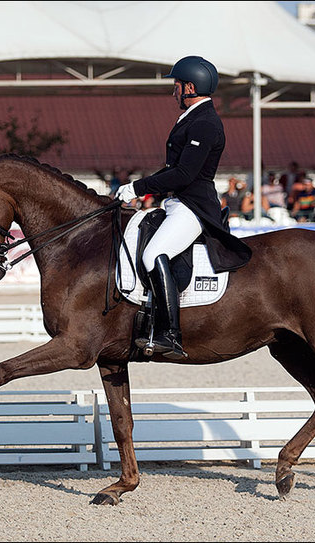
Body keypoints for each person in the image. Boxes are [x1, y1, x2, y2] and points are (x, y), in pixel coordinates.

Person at [115, 55, 252, 359]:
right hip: (177, 202)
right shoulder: (191, 118)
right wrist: (145, 191)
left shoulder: (205, 123)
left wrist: (138, 187)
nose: (173, 91)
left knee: (154, 254)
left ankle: (170, 334)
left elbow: (184, 174)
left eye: (176, 85)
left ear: (190, 86)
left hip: (194, 206)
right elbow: (172, 171)